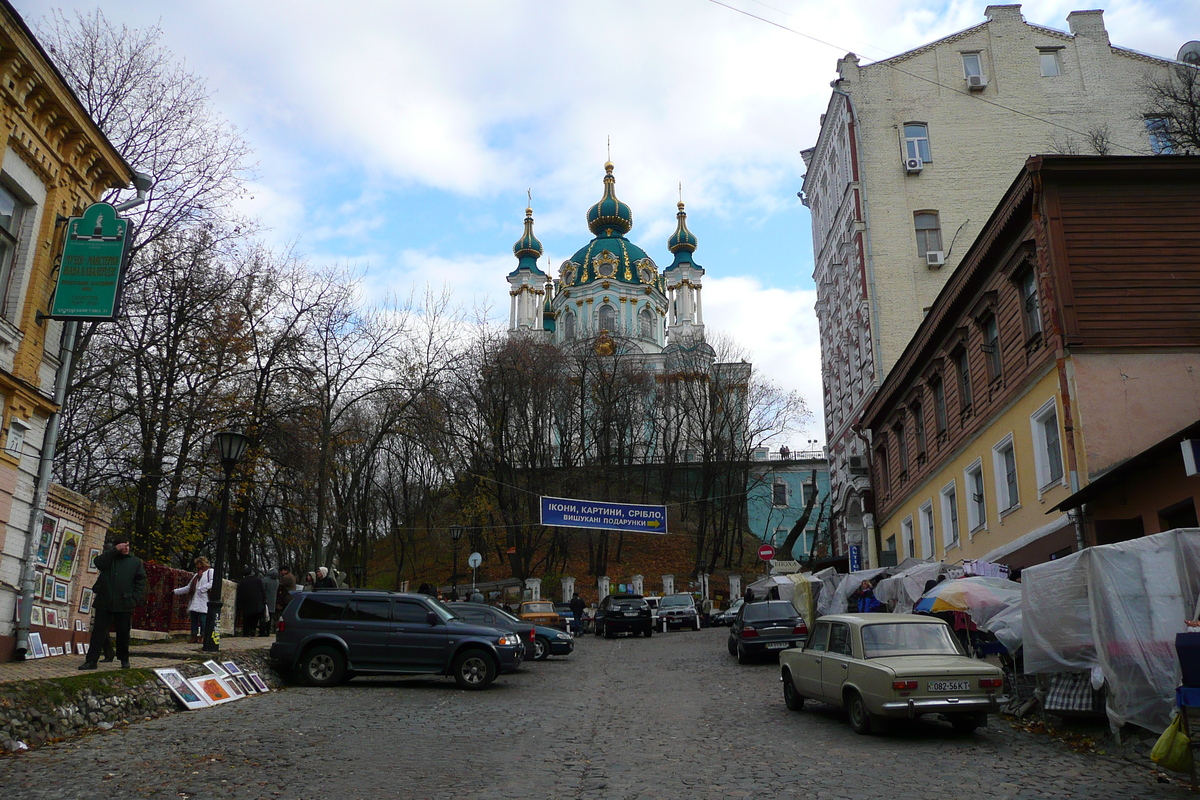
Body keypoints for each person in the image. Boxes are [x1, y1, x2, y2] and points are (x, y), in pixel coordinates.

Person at [79, 534, 147, 670]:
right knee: (98, 632)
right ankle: (91, 660)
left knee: (123, 633)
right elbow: (98, 562)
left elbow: (141, 581)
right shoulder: (109, 559)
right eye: (123, 546)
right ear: (117, 546)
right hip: (105, 601)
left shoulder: (135, 562)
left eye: (128, 545)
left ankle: (124, 659)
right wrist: (113, 551)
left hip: (125, 602)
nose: (126, 548)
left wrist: (134, 598)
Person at [172, 557, 213, 643]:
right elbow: (189, 587)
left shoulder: (210, 572)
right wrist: (175, 591)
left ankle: (203, 636)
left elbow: (212, 583)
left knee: (203, 620)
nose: (197, 566)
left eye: (198, 564)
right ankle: (193, 636)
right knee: (194, 620)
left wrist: (202, 589)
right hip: (195, 600)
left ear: (202, 563)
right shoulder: (196, 575)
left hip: (204, 599)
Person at [236, 572, 266, 637]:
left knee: (246, 618)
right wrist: (264, 600)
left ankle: (246, 632)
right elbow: (262, 590)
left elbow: (240, 594)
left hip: (247, 603)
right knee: (255, 618)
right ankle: (253, 630)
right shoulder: (258, 580)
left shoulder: (242, 582)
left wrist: (239, 604)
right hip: (257, 603)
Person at [260, 569, 280, 635]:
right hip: (273, 601)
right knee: (270, 616)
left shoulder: (265, 580)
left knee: (264, 616)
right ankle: (268, 631)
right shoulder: (277, 581)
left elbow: (262, 590)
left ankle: (262, 631)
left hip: (265, 600)